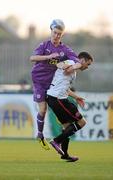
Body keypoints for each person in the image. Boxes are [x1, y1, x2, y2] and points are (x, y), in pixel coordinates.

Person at [30, 19, 81, 150]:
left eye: (59, 33)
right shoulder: (44, 45)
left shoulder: (65, 49)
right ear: (51, 31)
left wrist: (72, 67)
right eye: (55, 32)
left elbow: (78, 61)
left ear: (62, 35)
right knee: (42, 110)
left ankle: (64, 153)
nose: (56, 35)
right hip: (39, 81)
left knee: (64, 121)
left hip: (53, 83)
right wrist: (48, 57)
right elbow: (32, 58)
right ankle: (40, 135)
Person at [46, 51, 93, 162]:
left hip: (53, 98)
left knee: (67, 127)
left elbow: (66, 88)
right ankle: (56, 141)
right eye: (88, 64)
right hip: (58, 98)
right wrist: (77, 65)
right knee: (82, 122)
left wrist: (76, 97)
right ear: (82, 60)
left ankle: (65, 154)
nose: (87, 67)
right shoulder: (72, 62)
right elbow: (66, 70)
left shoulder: (73, 68)